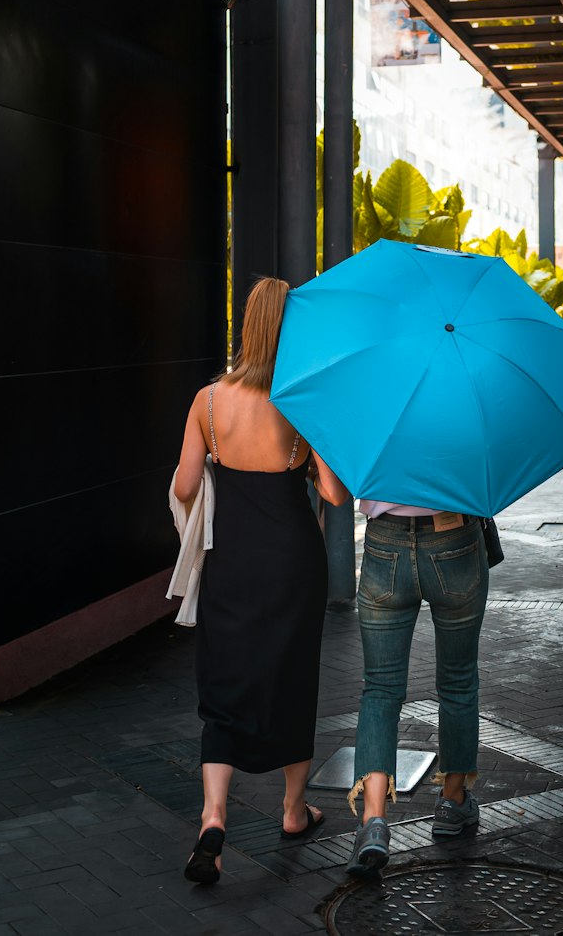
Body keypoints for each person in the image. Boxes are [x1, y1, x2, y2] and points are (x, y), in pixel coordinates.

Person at [173, 277, 349, 886]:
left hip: (232, 562)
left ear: (246, 325)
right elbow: (333, 493)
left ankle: (213, 820)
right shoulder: (303, 403)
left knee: (224, 682)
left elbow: (184, 488)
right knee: (292, 678)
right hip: (293, 564)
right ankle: (293, 810)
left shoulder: (209, 402)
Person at [345, 498, 489, 878]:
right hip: (454, 535)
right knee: (458, 680)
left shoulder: (374, 432)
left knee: (380, 688)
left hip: (385, 541)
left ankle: (373, 821)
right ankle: (453, 801)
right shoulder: (464, 432)